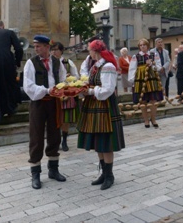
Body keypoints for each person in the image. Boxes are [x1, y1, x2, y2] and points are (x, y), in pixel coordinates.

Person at [77, 40, 125, 190]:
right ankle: (104, 173)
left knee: (106, 143)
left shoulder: (108, 66)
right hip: (94, 105)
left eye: (90, 50)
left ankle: (109, 175)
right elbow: (84, 71)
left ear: (95, 51)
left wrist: (90, 91)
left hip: (104, 106)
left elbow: (108, 90)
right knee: (98, 142)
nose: (88, 54)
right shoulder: (96, 65)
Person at [23, 35, 67, 189]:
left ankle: (53, 170)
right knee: (36, 136)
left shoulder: (57, 62)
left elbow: (62, 80)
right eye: (35, 46)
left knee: (55, 134)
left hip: (54, 103)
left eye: (39, 46)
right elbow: (28, 86)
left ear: (47, 47)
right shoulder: (31, 63)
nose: (36, 49)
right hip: (39, 103)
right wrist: (47, 90)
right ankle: (35, 173)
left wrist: (64, 89)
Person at [50, 42, 79, 152]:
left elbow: (76, 76)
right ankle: (55, 140)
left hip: (65, 94)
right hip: (53, 94)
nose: (54, 52)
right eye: (52, 49)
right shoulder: (48, 63)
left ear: (61, 51)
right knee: (54, 118)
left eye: (56, 49)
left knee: (65, 118)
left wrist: (69, 77)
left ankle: (64, 140)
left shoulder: (68, 62)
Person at [128, 38, 164, 128]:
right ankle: (146, 120)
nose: (142, 46)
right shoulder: (135, 56)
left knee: (153, 100)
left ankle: (153, 118)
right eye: (141, 45)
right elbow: (132, 69)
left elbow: (159, 67)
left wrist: (152, 64)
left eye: (144, 45)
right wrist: (132, 81)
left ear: (147, 46)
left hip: (152, 80)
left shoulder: (153, 54)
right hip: (140, 80)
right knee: (143, 101)